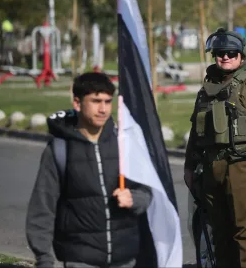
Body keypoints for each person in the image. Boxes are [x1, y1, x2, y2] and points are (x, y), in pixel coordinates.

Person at [26, 72, 153, 268]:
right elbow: (43, 207)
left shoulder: (124, 143)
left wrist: (134, 198)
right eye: (96, 101)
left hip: (125, 257)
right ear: (77, 103)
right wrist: (44, 258)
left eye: (107, 101)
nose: (103, 109)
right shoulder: (60, 149)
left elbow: (146, 190)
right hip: (80, 258)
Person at [184, 27, 246, 268]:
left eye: (230, 52)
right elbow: (197, 132)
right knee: (220, 234)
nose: (225, 57)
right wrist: (189, 166)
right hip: (212, 168)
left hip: (243, 167)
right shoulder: (207, 89)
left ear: (241, 55)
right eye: (219, 52)